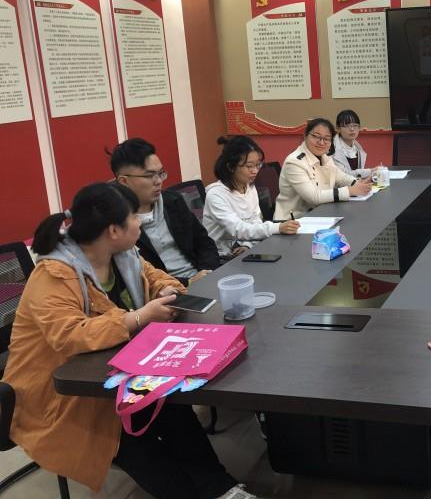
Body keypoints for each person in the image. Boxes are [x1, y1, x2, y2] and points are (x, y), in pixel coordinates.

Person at [1, 183, 257, 499]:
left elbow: (155, 276)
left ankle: (221, 489)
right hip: (64, 394)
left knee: (171, 407)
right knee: (133, 438)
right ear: (113, 230)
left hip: (120, 368)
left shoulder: (123, 254)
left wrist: (166, 290)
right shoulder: (55, 275)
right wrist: (138, 317)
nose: (140, 223)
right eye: (134, 217)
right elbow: (69, 335)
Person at [110, 138, 220, 286]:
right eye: (149, 175)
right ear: (124, 181)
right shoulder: (117, 222)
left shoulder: (172, 201)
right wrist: (188, 283)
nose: (158, 181)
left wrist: (208, 273)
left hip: (201, 277)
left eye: (160, 173)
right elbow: (138, 277)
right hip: (164, 291)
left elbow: (204, 242)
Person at [203, 135, 299, 258]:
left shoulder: (249, 187)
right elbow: (238, 229)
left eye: (258, 165)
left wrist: (247, 245)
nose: (255, 171)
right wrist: (277, 227)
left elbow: (255, 221)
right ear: (231, 167)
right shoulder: (216, 195)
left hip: (241, 251)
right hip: (220, 256)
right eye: (249, 166)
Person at [274, 118, 372, 220]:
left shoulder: (325, 157)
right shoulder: (294, 162)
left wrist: (358, 184)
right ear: (305, 136)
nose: (321, 142)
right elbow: (313, 197)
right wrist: (349, 191)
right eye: (316, 136)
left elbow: (342, 178)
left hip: (319, 214)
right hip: (292, 221)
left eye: (327, 139)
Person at [330, 109, 372, 179]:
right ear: (338, 128)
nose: (352, 129)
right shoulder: (331, 148)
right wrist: (371, 171)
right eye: (347, 126)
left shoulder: (357, 148)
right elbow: (343, 175)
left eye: (355, 125)